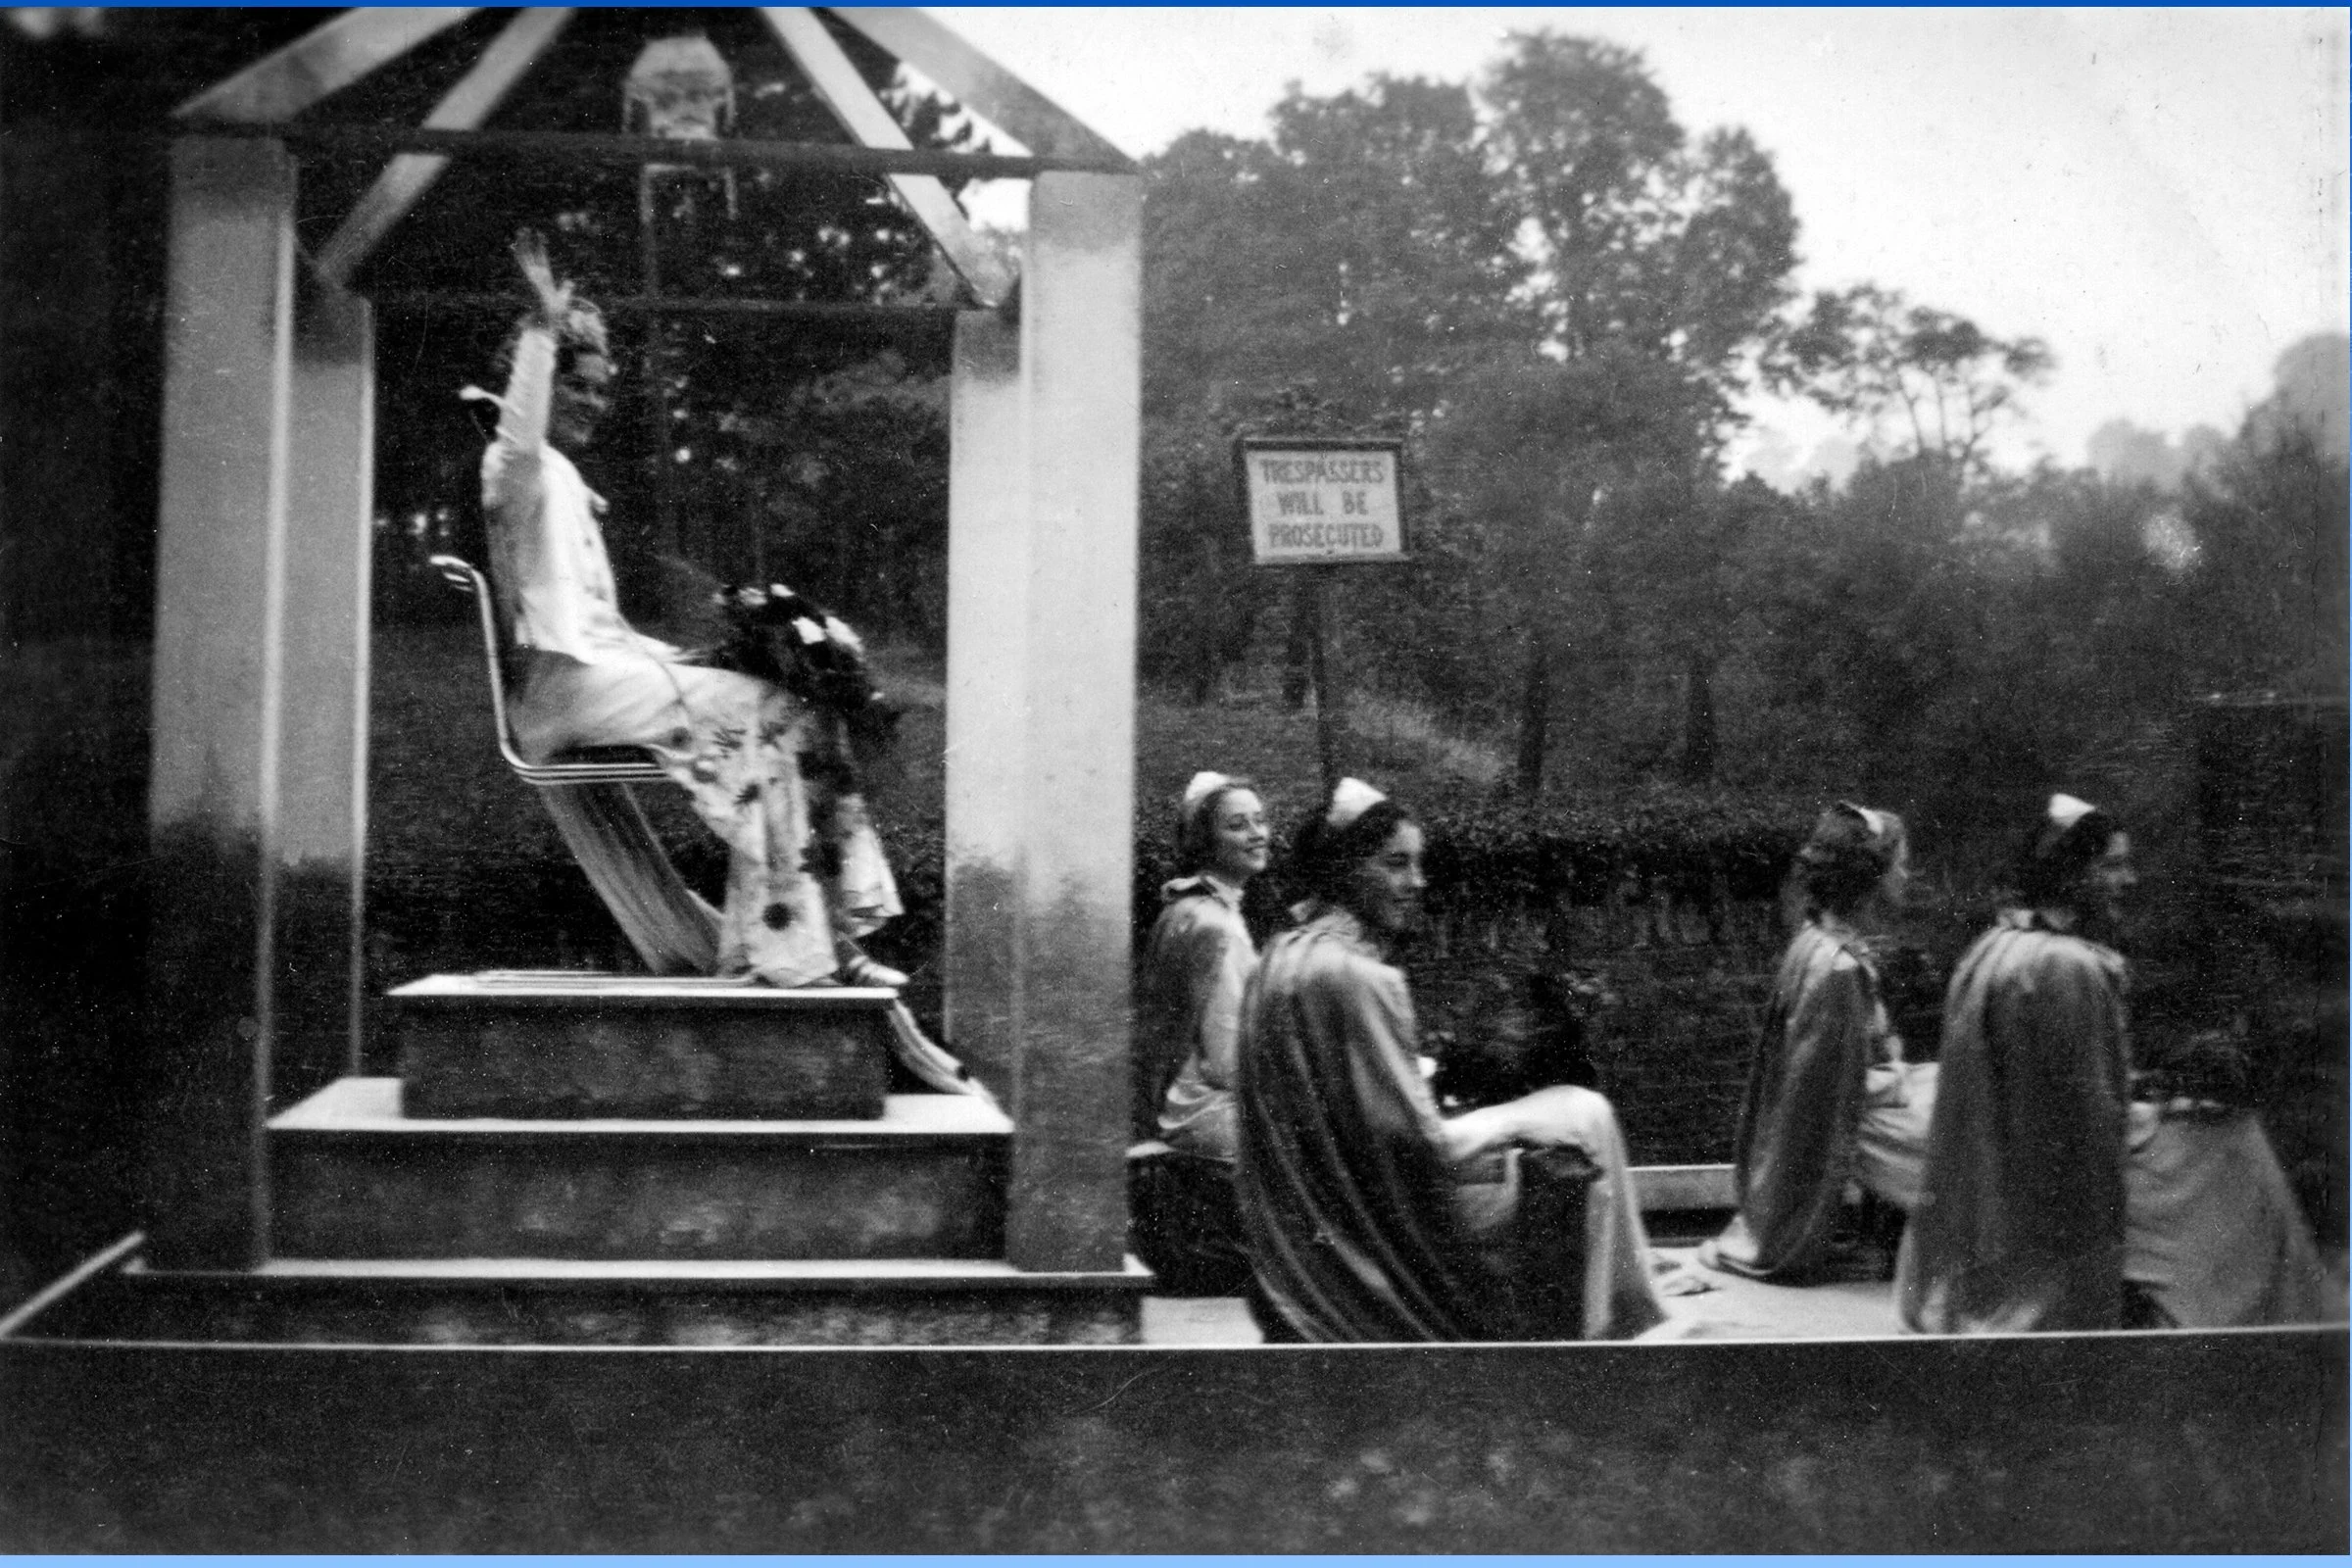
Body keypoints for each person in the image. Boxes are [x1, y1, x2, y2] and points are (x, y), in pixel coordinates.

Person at [469, 228, 901, 991]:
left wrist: (698, 654)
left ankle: (818, 938)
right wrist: (542, 328)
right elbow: (519, 433)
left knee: (797, 705)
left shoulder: (561, 476)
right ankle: (787, 952)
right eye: (580, 387)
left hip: (599, 673)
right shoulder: (516, 464)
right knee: (770, 710)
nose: (595, 404)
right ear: (534, 382)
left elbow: (602, 623)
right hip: (560, 693)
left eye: (604, 391)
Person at [1235, 778, 1665, 1342]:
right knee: (1585, 1118)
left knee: (1567, 1117)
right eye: (1395, 864)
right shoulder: (1363, 979)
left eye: (1418, 864)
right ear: (1343, 869)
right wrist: (1521, 1116)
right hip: (1374, 1232)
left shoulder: (1279, 955)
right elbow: (1421, 1147)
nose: (1417, 882)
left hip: (1304, 1235)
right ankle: (1613, 1330)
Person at [1896, 793, 2327, 1333]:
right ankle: (2251, 1316)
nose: (2129, 880)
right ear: (2073, 874)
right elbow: (2093, 1120)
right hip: (2049, 1180)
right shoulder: (2069, 966)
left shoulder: (1998, 944)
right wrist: (2167, 1101)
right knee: (2234, 1147)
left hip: (2011, 1160)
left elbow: (2068, 1083)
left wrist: (2158, 1086)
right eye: (2113, 865)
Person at [1700, 803, 1936, 1280]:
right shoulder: (1838, 968)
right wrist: (1895, 1082)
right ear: (1870, 876)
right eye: (1900, 864)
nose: (1907, 874)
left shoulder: (1815, 939)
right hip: (1852, 1112)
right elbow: (1830, 1092)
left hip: (1859, 1092)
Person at [1127, 771, 1268, 1295]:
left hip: (1169, 1103)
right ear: (1206, 841)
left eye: (1260, 820)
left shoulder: (1186, 908)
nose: (1257, 833)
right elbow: (1228, 1063)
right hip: (1202, 1112)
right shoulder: (1217, 926)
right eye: (1237, 825)